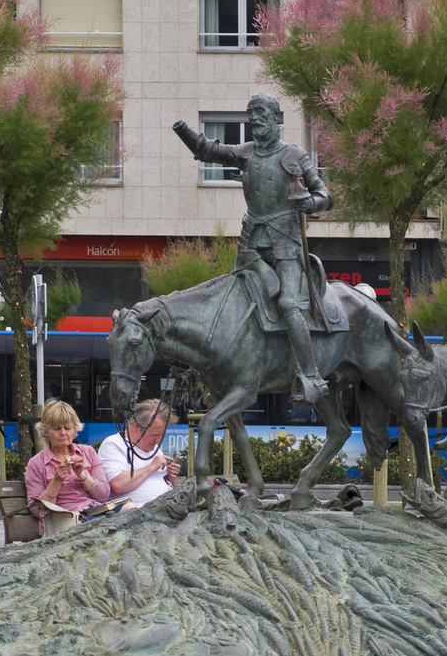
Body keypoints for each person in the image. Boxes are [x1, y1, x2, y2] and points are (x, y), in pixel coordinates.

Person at [172, 95, 333, 405]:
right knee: (230, 302)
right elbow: (209, 151)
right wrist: (184, 130)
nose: (254, 119)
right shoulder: (246, 153)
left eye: (260, 113)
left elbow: (325, 195)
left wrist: (310, 203)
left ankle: (310, 375)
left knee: (288, 304)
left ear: (275, 117)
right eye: (250, 114)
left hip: (285, 245)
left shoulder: (295, 155)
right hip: (250, 245)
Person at [24, 399, 114, 532]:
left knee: (130, 510)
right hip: (65, 519)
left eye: (67, 428)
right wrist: (57, 481)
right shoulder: (36, 463)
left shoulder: (88, 453)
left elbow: (103, 496)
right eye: (56, 428)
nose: (63, 433)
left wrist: (83, 475)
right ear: (46, 432)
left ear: (75, 430)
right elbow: (37, 510)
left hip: (95, 513)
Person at [100, 399, 183, 507]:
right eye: (154, 435)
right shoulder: (113, 444)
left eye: (161, 435)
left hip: (164, 509)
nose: (158, 441)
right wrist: (152, 467)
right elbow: (118, 484)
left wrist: (170, 478)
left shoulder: (155, 449)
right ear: (136, 426)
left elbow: (165, 486)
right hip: (135, 514)